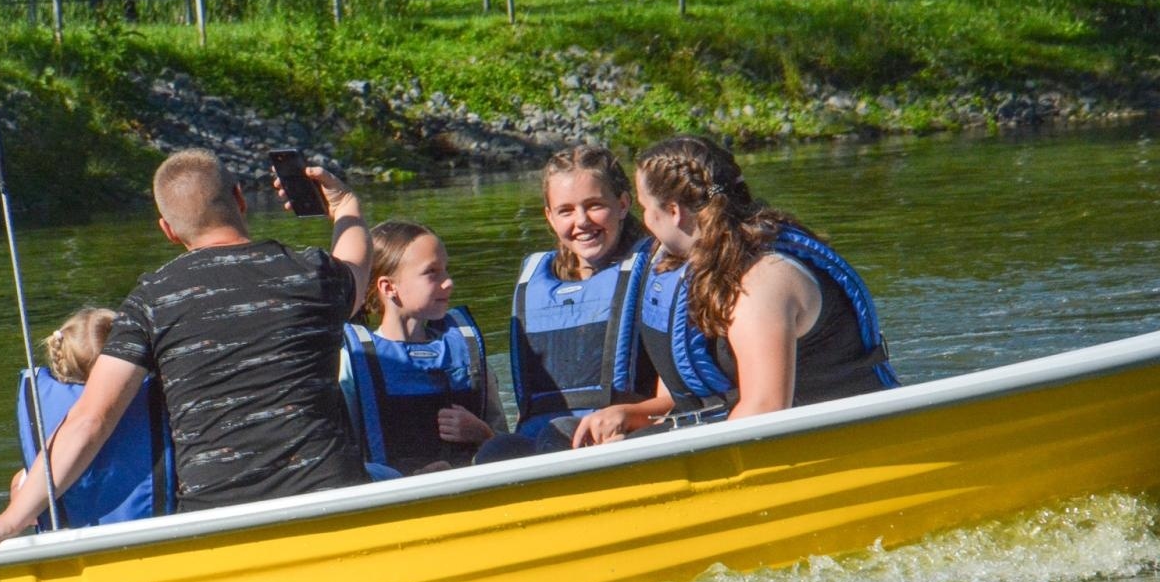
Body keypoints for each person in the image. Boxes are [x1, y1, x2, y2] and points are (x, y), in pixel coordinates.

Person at [0, 147, 371, 567]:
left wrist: (8, 521)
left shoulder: (153, 300)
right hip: (330, 497)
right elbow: (357, 266)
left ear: (168, 229)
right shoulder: (311, 272)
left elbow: (90, 419)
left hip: (216, 516)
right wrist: (345, 205)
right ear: (239, 199)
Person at [573, 135, 898, 444]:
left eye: (645, 207)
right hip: (747, 436)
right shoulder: (698, 267)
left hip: (844, 441)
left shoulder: (763, 281)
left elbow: (764, 411)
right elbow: (685, 393)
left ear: (673, 212)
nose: (644, 220)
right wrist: (633, 415)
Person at [502, 145, 654, 451]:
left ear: (623, 204)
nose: (582, 221)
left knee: (555, 436)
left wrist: (628, 415)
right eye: (566, 211)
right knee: (499, 449)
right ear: (549, 217)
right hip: (551, 436)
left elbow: (683, 395)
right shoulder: (537, 286)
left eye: (595, 205)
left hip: (627, 432)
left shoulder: (654, 275)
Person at [340, 220, 506, 476]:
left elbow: (504, 443)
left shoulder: (465, 352)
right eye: (432, 272)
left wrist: (483, 434)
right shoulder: (355, 363)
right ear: (389, 287)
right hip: (395, 488)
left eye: (446, 270)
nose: (448, 282)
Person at [14, 306, 173, 527]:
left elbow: (26, 506)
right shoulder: (155, 410)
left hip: (75, 542)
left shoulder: (33, 476)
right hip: (153, 533)